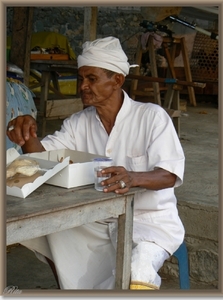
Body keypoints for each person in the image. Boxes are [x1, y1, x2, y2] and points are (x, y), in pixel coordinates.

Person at [6, 36, 185, 290]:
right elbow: (41, 156)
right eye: (81, 79)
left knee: (137, 271)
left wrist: (133, 177)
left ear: (117, 80)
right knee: (48, 231)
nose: (83, 86)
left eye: (92, 79)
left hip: (148, 222)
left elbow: (169, 174)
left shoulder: (151, 118)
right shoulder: (79, 123)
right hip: (98, 221)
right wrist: (27, 135)